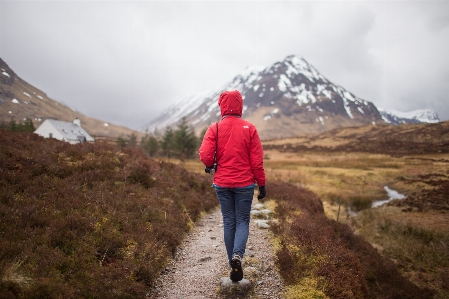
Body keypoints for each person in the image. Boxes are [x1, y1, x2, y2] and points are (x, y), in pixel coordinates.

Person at [199, 90, 266, 282]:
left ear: (221, 106)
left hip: (222, 182)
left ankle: (233, 264)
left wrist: (210, 164)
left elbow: (205, 154)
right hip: (245, 184)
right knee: (242, 221)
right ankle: (238, 256)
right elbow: (257, 162)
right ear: (240, 106)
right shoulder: (250, 128)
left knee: (229, 221)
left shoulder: (215, 128)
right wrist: (262, 185)